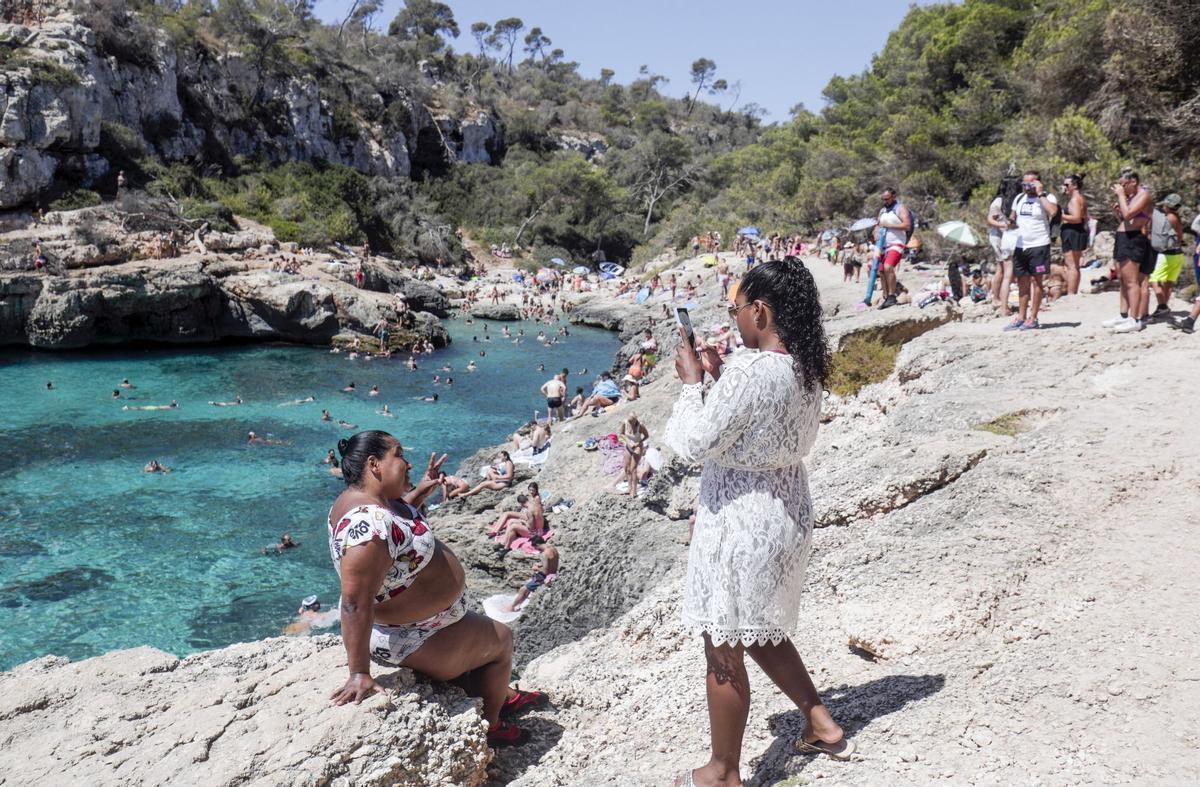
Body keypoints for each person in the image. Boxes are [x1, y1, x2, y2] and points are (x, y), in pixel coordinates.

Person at [664, 259, 851, 786]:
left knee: (723, 647)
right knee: (760, 624)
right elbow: (763, 427)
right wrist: (721, 381)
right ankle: (820, 720)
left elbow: (692, 443)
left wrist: (691, 384)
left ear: (760, 311)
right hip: (786, 510)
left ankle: (722, 773)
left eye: (736, 308)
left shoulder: (751, 370)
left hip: (741, 521)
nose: (734, 318)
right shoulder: (805, 368)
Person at [326, 432, 533, 746]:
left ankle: (500, 692)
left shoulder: (374, 502)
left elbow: (398, 534)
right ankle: (491, 726)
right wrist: (359, 673)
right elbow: (354, 604)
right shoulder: (365, 532)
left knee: (479, 646)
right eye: (398, 455)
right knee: (502, 640)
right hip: (411, 636)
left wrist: (420, 491)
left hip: (425, 623)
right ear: (374, 464)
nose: (408, 462)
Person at [1003, 170, 1057, 332]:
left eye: (1030, 184)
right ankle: (1021, 316)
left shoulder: (1048, 198)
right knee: (1022, 282)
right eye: (1024, 184)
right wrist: (1008, 222)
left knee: (1037, 281)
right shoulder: (1019, 198)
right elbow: (1013, 218)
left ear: (1038, 183)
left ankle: (1033, 317)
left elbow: (1053, 212)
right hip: (1021, 245)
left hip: (1039, 245)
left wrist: (1040, 194)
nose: (1026, 187)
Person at [1105, 169, 1154, 333]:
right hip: (1124, 238)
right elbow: (1125, 218)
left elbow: (1128, 215)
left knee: (1132, 281)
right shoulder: (1132, 197)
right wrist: (1117, 210)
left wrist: (1120, 196)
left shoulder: (1144, 195)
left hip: (1133, 240)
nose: (1121, 188)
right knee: (1124, 280)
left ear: (1133, 181)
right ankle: (1124, 315)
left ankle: (1135, 319)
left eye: (1123, 184)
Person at [1147, 193, 1184, 320]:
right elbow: (1179, 235)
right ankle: (1163, 308)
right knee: (1168, 282)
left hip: (1167, 255)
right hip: (1177, 254)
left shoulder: (1169, 217)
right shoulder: (1176, 217)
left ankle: (1162, 306)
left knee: (1153, 279)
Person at [876, 187, 912, 309]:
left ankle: (892, 296)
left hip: (897, 243)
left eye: (887, 198)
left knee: (888, 267)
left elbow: (907, 225)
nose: (885, 201)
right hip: (883, 245)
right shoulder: (882, 211)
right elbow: (878, 225)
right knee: (881, 270)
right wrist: (875, 236)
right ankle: (886, 296)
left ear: (893, 197)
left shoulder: (901, 208)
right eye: (883, 199)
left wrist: (889, 225)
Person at [987, 179, 1018, 314]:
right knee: (1001, 268)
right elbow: (990, 219)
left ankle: (999, 297)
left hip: (1005, 236)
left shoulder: (1010, 200)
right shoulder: (999, 201)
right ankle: (996, 298)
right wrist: (1004, 226)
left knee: (1002, 268)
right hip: (999, 237)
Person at [506, 536, 559, 612]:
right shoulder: (553, 549)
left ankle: (511, 607)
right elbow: (552, 563)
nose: (536, 549)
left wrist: (536, 568)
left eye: (535, 547)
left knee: (523, 589)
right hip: (554, 573)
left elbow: (545, 571)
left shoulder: (545, 554)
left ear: (537, 544)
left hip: (545, 577)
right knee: (527, 589)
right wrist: (541, 565)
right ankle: (517, 605)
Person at [1058, 174, 1089, 296]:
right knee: (1074, 265)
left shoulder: (1075, 200)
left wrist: (1059, 215)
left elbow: (1076, 218)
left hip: (1072, 232)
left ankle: (1071, 293)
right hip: (1076, 231)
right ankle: (1073, 291)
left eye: (1067, 185)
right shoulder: (1079, 198)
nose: (1064, 187)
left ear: (1074, 185)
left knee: (1072, 265)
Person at [451, 451, 515, 498]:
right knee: (489, 471)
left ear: (505, 456)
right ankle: (487, 483)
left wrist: (497, 477)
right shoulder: (506, 463)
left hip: (504, 484)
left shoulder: (509, 464)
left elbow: (509, 476)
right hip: (501, 481)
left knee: (483, 484)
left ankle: (465, 494)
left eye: (501, 457)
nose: (500, 458)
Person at [619, 414, 649, 498]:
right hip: (629, 446)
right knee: (626, 468)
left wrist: (639, 442)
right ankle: (629, 487)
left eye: (632, 422)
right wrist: (627, 442)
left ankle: (634, 490)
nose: (631, 424)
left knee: (633, 469)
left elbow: (647, 435)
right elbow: (620, 434)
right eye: (630, 422)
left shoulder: (640, 425)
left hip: (638, 447)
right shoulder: (625, 423)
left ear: (635, 420)